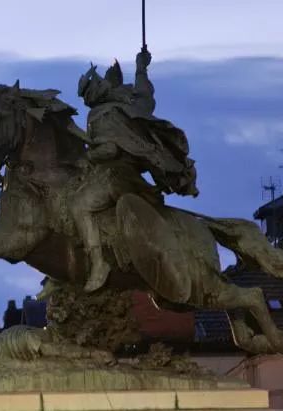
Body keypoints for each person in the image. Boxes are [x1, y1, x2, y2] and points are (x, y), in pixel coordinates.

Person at [74, 48, 198, 292]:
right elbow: (146, 98)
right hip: (135, 178)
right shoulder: (128, 103)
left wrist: (86, 155)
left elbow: (109, 150)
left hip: (115, 177)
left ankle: (98, 264)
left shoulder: (99, 115)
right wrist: (141, 68)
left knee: (79, 205)